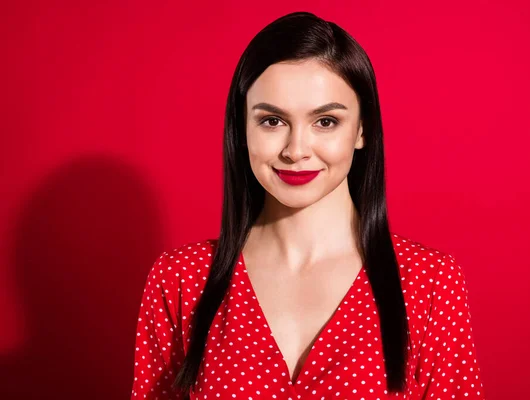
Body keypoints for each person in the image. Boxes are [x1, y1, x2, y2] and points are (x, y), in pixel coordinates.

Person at [130, 11, 485, 400]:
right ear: (242, 128)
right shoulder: (181, 280)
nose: (296, 150)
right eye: (272, 121)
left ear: (362, 129)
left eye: (326, 121)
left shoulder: (430, 283)